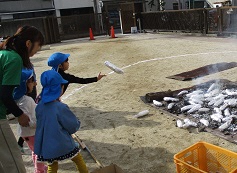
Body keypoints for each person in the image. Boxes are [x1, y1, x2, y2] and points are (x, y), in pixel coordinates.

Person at [0, 25, 44, 173]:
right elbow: (5, 94)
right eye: (38, 45)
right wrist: (20, 114)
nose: (38, 50)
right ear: (28, 43)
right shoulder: (14, 59)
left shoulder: (3, 54)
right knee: (14, 164)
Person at [34, 70, 88, 173]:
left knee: (52, 166)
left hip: (47, 146)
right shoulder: (60, 107)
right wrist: (77, 123)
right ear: (59, 88)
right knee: (78, 159)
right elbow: (72, 126)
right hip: (63, 144)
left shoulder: (39, 107)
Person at [13, 68, 47, 173]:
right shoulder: (25, 100)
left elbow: (31, 109)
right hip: (31, 132)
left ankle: (39, 167)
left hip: (27, 133)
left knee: (34, 150)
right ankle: (39, 170)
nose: (35, 84)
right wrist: (39, 123)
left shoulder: (22, 99)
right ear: (25, 84)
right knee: (39, 152)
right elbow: (25, 121)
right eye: (32, 81)